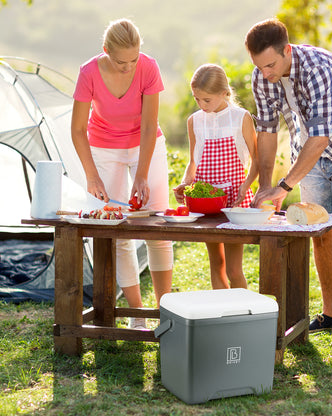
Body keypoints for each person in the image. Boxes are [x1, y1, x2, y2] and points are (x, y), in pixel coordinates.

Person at [245, 18, 332, 345]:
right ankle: (330, 313)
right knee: (319, 233)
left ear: (287, 50)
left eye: (271, 65)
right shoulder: (263, 76)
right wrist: (265, 185)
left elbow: (321, 138)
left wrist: (284, 186)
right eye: (259, 67)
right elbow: (266, 132)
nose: (266, 74)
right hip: (307, 157)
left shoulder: (317, 69)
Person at [71, 18, 173, 328]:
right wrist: (92, 175)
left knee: (158, 223)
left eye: (134, 59)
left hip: (146, 144)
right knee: (117, 227)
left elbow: (147, 124)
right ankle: (138, 315)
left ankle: (164, 312)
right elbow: (77, 130)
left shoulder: (148, 67)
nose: (129, 67)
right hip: (104, 148)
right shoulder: (88, 72)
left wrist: (141, 174)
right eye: (120, 61)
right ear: (106, 51)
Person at [173, 63, 258, 290]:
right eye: (196, 99)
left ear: (224, 93)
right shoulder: (194, 121)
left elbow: (256, 160)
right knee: (216, 263)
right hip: (206, 203)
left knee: (233, 268)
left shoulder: (241, 117)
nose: (201, 105)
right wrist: (185, 184)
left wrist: (246, 185)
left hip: (234, 201)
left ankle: (242, 313)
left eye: (206, 100)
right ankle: (223, 314)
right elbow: (193, 162)